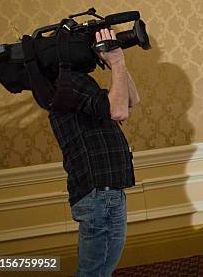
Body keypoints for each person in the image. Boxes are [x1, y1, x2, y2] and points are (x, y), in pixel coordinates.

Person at [48, 28, 140, 276]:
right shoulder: (66, 84)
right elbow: (119, 111)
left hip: (105, 193)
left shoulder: (76, 83)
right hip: (100, 194)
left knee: (99, 271)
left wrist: (116, 64)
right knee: (95, 273)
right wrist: (117, 61)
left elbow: (131, 99)